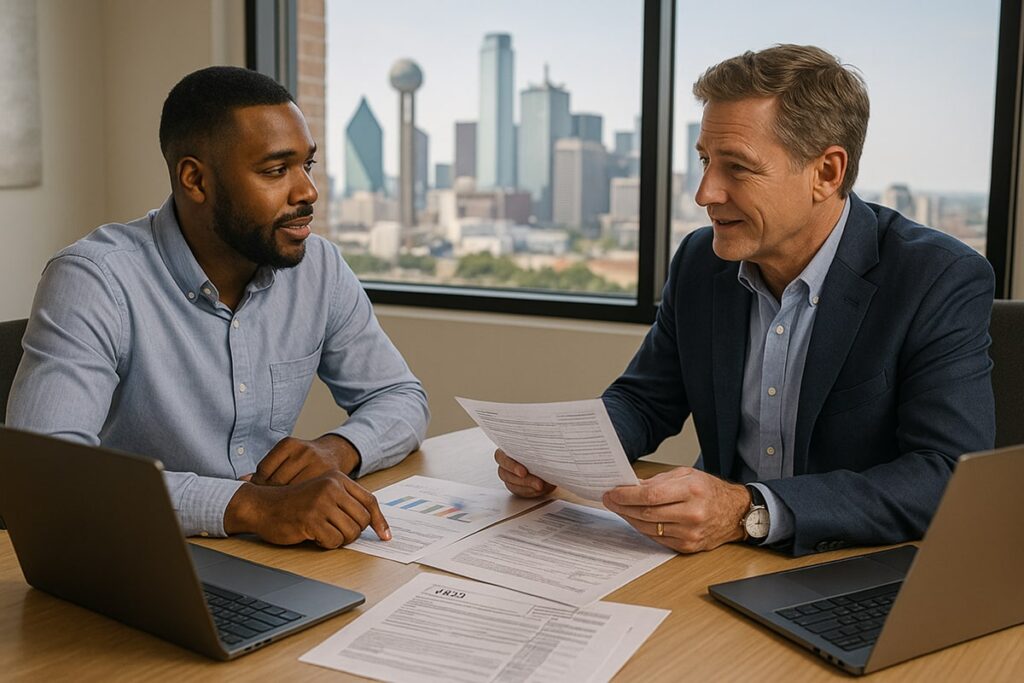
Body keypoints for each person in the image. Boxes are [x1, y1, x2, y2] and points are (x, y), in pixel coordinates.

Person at [495, 44, 995, 556]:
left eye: (737, 167)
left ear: (826, 173)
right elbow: (645, 400)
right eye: (705, 161)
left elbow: (946, 475)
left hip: (853, 566)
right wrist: (565, 453)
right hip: (717, 559)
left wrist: (749, 510)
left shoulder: (936, 277)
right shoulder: (700, 261)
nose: (705, 193)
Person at [7, 66, 429, 549]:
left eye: (306, 166)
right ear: (195, 180)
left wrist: (338, 449)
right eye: (275, 170)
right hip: (138, 551)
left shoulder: (320, 268)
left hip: (271, 551)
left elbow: (400, 397)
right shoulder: (94, 280)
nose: (307, 192)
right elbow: (49, 474)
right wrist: (248, 505)